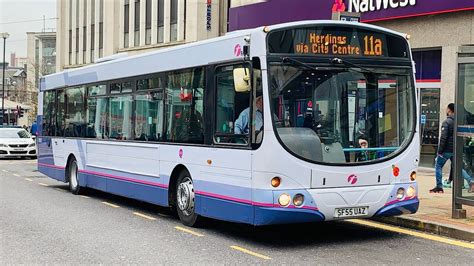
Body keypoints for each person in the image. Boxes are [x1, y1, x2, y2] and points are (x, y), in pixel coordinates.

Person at [431, 103, 455, 193]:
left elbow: (443, 138)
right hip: (455, 149)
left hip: (446, 150)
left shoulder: (446, 122)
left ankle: (439, 186)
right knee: (459, 167)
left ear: (449, 110)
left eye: (446, 109)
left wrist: (440, 151)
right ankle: (471, 181)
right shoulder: (458, 121)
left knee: (438, 165)